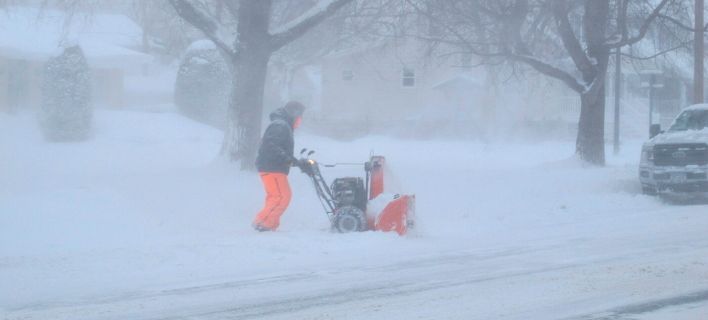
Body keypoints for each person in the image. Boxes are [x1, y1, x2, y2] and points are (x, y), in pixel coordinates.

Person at [252, 101, 305, 232]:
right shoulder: (280, 125)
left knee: (276, 196)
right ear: (294, 113)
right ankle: (263, 223)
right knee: (281, 196)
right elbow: (271, 146)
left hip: (272, 167)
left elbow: (277, 147)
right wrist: (288, 159)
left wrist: (292, 160)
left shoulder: (282, 124)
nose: (300, 120)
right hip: (272, 167)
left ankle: (270, 224)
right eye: (300, 116)